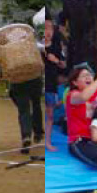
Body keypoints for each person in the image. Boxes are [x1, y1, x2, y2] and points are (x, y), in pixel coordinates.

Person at [41, 13, 66, 151]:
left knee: (50, 114)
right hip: (38, 83)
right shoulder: (37, 47)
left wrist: (55, 60)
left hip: (50, 84)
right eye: (45, 28)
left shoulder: (56, 47)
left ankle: (48, 142)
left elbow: (63, 64)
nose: (48, 31)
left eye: (50, 28)